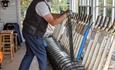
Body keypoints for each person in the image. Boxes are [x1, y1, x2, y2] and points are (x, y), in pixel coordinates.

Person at [19, 0, 67, 70]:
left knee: (29, 54)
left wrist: (61, 15)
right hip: (34, 34)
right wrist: (66, 15)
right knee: (42, 56)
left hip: (28, 32)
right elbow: (53, 22)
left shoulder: (37, 2)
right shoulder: (41, 5)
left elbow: (48, 14)